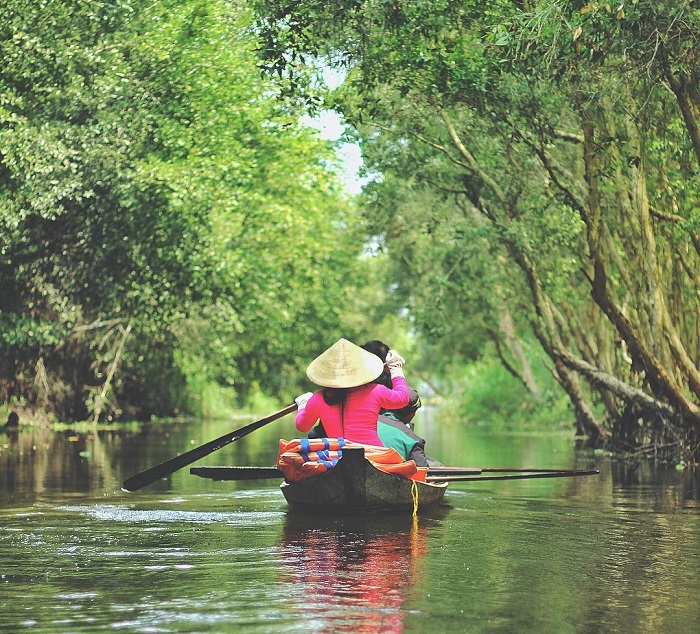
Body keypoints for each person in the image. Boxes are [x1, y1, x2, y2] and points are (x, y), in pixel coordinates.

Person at [295, 338, 410, 448]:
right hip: (373, 456)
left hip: (338, 458)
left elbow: (302, 426)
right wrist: (396, 368)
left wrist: (303, 405)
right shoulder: (375, 390)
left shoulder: (318, 399)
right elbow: (403, 399)